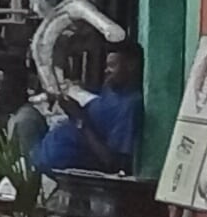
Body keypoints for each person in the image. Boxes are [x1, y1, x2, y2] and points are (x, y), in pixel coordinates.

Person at [29, 37, 147, 174]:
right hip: (40, 154)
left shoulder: (130, 106)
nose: (106, 71)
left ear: (131, 65)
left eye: (112, 66)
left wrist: (79, 120)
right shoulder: (110, 89)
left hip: (61, 172)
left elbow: (113, 163)